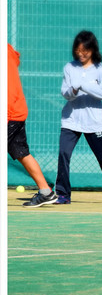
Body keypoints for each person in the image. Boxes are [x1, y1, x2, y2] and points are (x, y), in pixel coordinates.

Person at [54, 31, 102, 204]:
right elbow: (65, 93)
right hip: (70, 121)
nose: (81, 54)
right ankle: (63, 194)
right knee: (64, 154)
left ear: (93, 49)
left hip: (93, 123)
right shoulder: (69, 67)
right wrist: (72, 90)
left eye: (85, 50)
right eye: (78, 50)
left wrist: (84, 86)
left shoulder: (101, 70)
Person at [7, 44, 58, 207]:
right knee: (21, 153)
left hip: (10, 113)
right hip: (16, 111)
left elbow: (7, 89)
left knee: (22, 152)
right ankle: (46, 192)